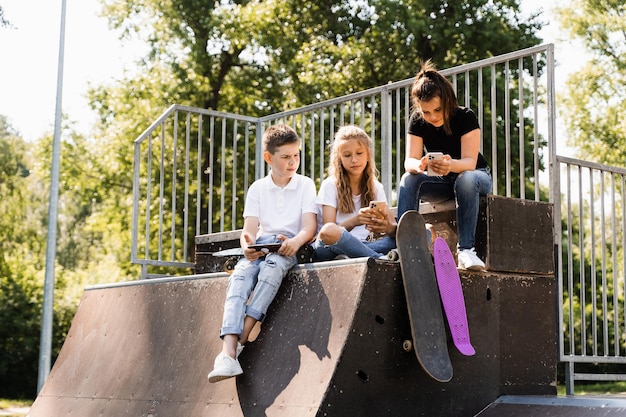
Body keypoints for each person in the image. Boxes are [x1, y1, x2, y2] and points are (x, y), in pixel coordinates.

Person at [208, 124, 318, 383]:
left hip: (287, 247)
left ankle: (239, 343)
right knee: (240, 279)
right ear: (269, 158)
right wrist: (247, 245)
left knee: (271, 274)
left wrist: (295, 242)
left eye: (296, 155)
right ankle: (227, 353)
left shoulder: (305, 184)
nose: (293, 162)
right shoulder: (257, 188)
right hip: (261, 247)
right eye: (286, 157)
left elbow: (310, 227)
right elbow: (249, 231)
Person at [397, 59, 492, 270]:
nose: (432, 117)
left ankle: (466, 251)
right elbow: (408, 161)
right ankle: (404, 244)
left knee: (465, 178)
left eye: (437, 110)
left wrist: (451, 166)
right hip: (443, 181)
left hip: (475, 176)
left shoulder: (466, 117)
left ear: (447, 100)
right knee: (408, 179)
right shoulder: (418, 121)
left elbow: (470, 162)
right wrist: (419, 166)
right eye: (426, 112)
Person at [312, 125, 396, 261]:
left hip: (362, 247)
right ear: (339, 158)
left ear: (368, 154)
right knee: (329, 230)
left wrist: (386, 227)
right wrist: (355, 221)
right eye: (347, 155)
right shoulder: (329, 185)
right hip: (329, 248)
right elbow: (328, 231)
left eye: (359, 153)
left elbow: (393, 227)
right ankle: (382, 260)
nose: (354, 160)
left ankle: (374, 257)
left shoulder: (376, 187)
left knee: (424, 231)